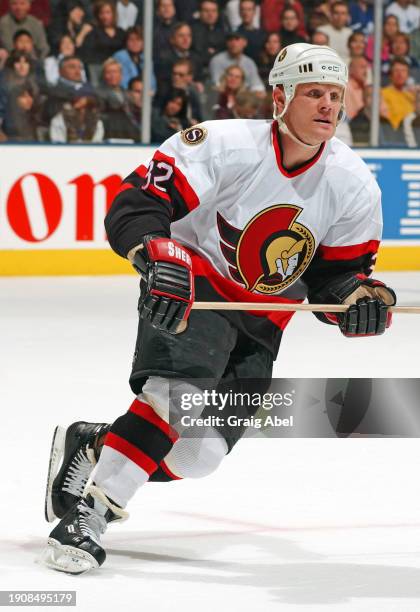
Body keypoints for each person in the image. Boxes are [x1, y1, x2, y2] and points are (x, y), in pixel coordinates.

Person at [41, 43, 396, 574]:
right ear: (279, 97)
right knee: (173, 398)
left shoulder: (354, 184)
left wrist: (356, 300)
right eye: (314, 94)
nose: (328, 106)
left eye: (335, 96)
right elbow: (138, 203)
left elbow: (334, 277)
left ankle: (98, 443)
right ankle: (91, 512)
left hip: (263, 317)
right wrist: (155, 254)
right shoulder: (226, 144)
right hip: (195, 288)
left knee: (197, 457)